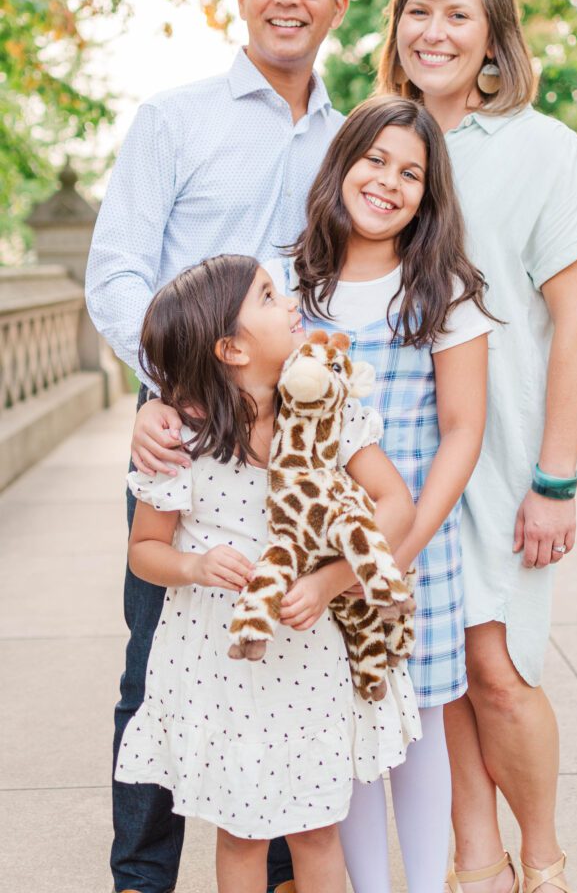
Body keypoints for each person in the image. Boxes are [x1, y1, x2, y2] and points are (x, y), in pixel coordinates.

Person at [134, 95, 495, 893]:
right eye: (375, 160)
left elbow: (459, 435)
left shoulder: (439, 290)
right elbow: (203, 351)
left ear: (430, 193)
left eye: (412, 173)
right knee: (334, 782)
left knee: (414, 720)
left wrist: (378, 562)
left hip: (396, 538)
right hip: (290, 580)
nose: (390, 182)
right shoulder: (290, 280)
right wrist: (158, 408)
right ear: (338, 166)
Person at [85, 0, 349, 893]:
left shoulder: (347, 138)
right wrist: (169, 390)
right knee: (159, 663)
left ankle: (278, 873)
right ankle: (143, 879)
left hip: (297, 442)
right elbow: (116, 272)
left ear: (335, 0)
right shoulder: (174, 119)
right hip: (185, 439)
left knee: (287, 653)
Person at [375, 0, 577, 893]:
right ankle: (475, 860)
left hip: (503, 455)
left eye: (457, 16)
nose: (433, 31)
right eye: (418, 10)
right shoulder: (375, 143)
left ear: (492, 41)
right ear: (395, 25)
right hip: (399, 458)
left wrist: (555, 480)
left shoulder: (542, 149)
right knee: (438, 671)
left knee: (501, 674)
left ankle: (546, 857)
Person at [118, 253, 420, 893]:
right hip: (219, 660)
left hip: (307, 655)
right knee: (242, 833)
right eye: (267, 295)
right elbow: (144, 548)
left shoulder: (324, 416)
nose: (289, 304)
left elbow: (395, 505)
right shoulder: (182, 437)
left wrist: (329, 581)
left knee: (316, 828)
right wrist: (194, 564)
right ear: (230, 347)